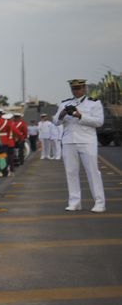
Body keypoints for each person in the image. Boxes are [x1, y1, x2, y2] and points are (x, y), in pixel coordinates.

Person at [56, 79, 106, 212]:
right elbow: (55, 122)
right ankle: (74, 202)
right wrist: (61, 115)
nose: (76, 91)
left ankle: (99, 202)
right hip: (69, 141)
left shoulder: (94, 103)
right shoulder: (65, 103)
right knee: (71, 172)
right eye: (74, 89)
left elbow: (99, 122)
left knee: (93, 172)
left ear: (84, 89)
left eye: (79, 88)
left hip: (87, 140)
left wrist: (80, 116)